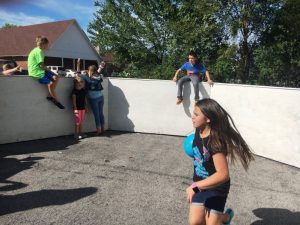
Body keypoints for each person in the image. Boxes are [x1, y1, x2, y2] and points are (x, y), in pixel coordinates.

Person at [186, 98, 254, 225]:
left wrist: (195, 187)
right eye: (193, 113)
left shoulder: (215, 142)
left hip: (217, 186)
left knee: (211, 224)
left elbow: (223, 174)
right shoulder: (198, 129)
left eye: (196, 114)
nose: (192, 116)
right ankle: (221, 217)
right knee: (194, 222)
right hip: (200, 181)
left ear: (208, 119)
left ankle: (225, 218)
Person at [27, 36, 64, 109]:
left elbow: (41, 66)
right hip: (36, 72)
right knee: (50, 83)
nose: (48, 46)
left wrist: (53, 73)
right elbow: (42, 66)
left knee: (56, 76)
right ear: (43, 44)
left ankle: (49, 96)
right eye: (47, 44)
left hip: (39, 70)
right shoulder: (39, 52)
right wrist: (52, 71)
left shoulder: (36, 50)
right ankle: (56, 100)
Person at [77, 59, 105, 135]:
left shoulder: (88, 78)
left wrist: (78, 64)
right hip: (101, 97)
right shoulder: (100, 76)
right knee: (100, 113)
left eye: (88, 70)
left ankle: (98, 130)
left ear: (90, 71)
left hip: (94, 99)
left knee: (96, 114)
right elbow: (98, 71)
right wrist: (101, 66)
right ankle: (102, 129)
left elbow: (78, 74)